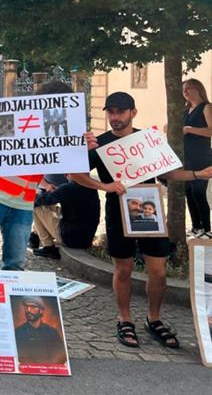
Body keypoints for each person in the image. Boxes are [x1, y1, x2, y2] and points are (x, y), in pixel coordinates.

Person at [68, 91, 212, 349]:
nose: (115, 117)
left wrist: (197, 174)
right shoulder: (99, 144)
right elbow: (74, 174)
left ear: (133, 112)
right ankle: (124, 320)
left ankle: (154, 320)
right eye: (110, 112)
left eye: (121, 111)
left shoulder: (149, 140)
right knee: (123, 269)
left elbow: (169, 173)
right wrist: (105, 186)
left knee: (157, 272)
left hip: (150, 207)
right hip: (117, 209)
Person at [0, 81, 97, 270]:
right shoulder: (15, 119)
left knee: (15, 263)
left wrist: (83, 149)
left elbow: (71, 168)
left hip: (23, 205)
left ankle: (9, 298)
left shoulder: (61, 129)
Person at [32, 175, 100, 256]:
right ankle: (35, 235)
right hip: (87, 239)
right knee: (51, 207)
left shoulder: (67, 188)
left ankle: (48, 247)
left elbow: (41, 200)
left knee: (36, 207)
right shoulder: (91, 188)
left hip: (69, 238)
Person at [182, 79, 211, 237]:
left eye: (188, 88)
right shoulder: (184, 110)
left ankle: (207, 229)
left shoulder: (206, 107)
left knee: (199, 192)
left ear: (198, 89)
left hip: (201, 156)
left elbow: (211, 131)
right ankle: (196, 227)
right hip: (186, 156)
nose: (185, 92)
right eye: (183, 90)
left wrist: (190, 129)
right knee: (188, 192)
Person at [13, 296, 66, 365]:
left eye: (33, 306)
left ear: (41, 310)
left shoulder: (52, 332)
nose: (28, 310)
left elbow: (61, 356)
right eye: (26, 306)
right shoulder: (18, 332)